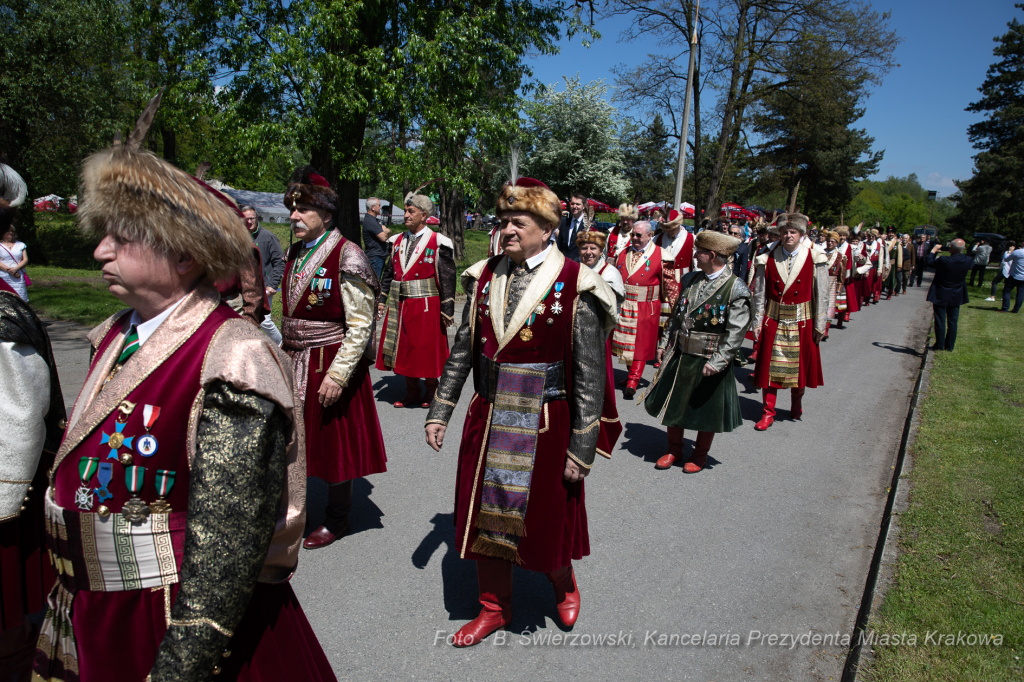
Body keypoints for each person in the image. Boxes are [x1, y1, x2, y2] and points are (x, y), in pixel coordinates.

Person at [34, 94, 336, 682]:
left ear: (185, 253)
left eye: (122, 237)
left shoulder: (231, 359)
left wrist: (182, 665)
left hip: (165, 623)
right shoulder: (119, 335)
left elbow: (229, 547)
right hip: (96, 613)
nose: (100, 250)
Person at [424, 177, 616, 647]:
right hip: (487, 417)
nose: (507, 229)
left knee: (545, 518)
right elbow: (462, 351)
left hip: (547, 422)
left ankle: (561, 581)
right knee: (486, 519)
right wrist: (441, 409)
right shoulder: (484, 274)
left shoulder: (577, 283)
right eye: (504, 221)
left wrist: (582, 446)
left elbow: (590, 374)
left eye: (519, 222)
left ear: (548, 228)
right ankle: (494, 607)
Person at [281, 166, 387, 550]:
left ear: (325, 214)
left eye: (303, 209)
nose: (294, 216)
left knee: (333, 442)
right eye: (293, 208)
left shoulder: (348, 254)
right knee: (291, 439)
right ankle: (291, 509)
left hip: (329, 360)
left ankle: (338, 517)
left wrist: (339, 375)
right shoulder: (296, 250)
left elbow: (360, 325)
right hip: (293, 358)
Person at [0, 198, 65, 679]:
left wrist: (6, 497)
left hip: (4, 491)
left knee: (7, 622)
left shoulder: (5, 316)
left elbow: (21, 415)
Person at [643, 231, 752, 473]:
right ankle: (674, 449)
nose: (694, 255)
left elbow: (736, 332)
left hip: (710, 359)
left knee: (706, 410)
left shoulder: (736, 288)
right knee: (674, 403)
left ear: (711, 255)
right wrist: (663, 345)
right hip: (681, 354)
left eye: (698, 252)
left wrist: (719, 360)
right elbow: (675, 316)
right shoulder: (690, 279)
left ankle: (700, 455)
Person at [749, 213, 828, 431]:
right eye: (784, 231)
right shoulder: (767, 256)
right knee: (767, 371)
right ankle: (767, 412)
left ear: (802, 234)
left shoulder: (815, 256)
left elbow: (822, 293)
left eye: (793, 232)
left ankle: (796, 402)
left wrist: (821, 324)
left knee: (799, 369)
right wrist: (757, 323)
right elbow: (759, 294)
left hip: (803, 321)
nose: (788, 235)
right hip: (773, 320)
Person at [376, 193, 456, 408]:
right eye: (405, 211)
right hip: (401, 303)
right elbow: (388, 273)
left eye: (411, 211)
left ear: (424, 215)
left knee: (425, 348)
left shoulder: (439, 242)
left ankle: (431, 390)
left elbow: (447, 277)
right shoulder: (397, 241)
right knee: (404, 347)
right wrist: (382, 298)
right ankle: (411, 391)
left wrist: (447, 308)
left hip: (427, 304)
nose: (406, 215)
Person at [577, 228, 624, 459]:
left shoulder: (610, 273)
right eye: (584, 248)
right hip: (573, 334)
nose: (588, 252)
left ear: (600, 250)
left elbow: (612, 308)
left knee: (594, 381)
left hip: (596, 336)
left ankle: (597, 428)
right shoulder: (573, 269)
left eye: (592, 248)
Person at [612, 220, 668, 399]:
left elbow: (670, 287)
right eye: (633, 235)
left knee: (640, 344)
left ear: (650, 235)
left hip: (647, 305)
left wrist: (668, 313)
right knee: (626, 342)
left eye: (639, 235)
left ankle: (633, 381)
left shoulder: (663, 255)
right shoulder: (622, 253)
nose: (634, 238)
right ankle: (631, 374)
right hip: (625, 303)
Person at [241, 205, 285, 345]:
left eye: (252, 218)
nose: (249, 221)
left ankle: (281, 344)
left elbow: (280, 262)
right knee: (247, 319)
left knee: (265, 321)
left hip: (265, 287)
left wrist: (273, 284)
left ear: (257, 218)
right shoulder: (240, 237)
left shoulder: (268, 237)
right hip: (245, 288)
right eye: (245, 219)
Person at [924, 239, 972, 350]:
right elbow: (971, 265)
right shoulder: (968, 260)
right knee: (953, 321)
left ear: (950, 248)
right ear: (963, 248)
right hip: (957, 293)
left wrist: (933, 251)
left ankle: (940, 344)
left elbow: (929, 263)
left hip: (941, 292)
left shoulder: (944, 260)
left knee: (940, 320)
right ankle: (950, 346)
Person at [653, 209, 695, 335]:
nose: (670, 231)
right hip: (662, 285)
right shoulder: (657, 239)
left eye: (673, 228)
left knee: (679, 315)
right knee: (661, 316)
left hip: (683, 283)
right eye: (668, 229)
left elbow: (697, 267)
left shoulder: (692, 239)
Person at [823, 230, 847, 335]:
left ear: (836, 243)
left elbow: (842, 274)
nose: (829, 243)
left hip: (833, 282)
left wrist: (839, 288)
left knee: (830, 307)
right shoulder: (819, 253)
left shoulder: (840, 257)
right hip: (819, 281)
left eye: (832, 241)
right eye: (828, 241)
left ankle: (826, 330)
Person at [362, 197, 391, 278]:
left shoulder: (374, 220)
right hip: (375, 258)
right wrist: (385, 231)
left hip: (378, 258)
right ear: (372, 207)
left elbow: (388, 232)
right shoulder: (370, 220)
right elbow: (384, 237)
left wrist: (386, 230)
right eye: (379, 205)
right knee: (374, 284)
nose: (380, 207)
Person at [0, 225, 29, 302]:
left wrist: (15, 269)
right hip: (3, 276)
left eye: (12, 231)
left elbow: (25, 260)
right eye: (8, 231)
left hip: (18, 276)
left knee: (20, 299)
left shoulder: (21, 245)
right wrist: (9, 270)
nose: (10, 232)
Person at [556, 193, 588, 261]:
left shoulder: (590, 225)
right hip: (564, 262)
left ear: (583, 206)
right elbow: (559, 246)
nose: (574, 206)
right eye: (572, 204)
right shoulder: (564, 223)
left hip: (581, 264)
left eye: (578, 204)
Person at [999, 242, 1024, 313]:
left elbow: (1006, 259)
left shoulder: (1018, 252)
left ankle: (1005, 308)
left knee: (1007, 290)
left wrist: (1009, 252)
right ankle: (1016, 309)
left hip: (1014, 275)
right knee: (1020, 293)